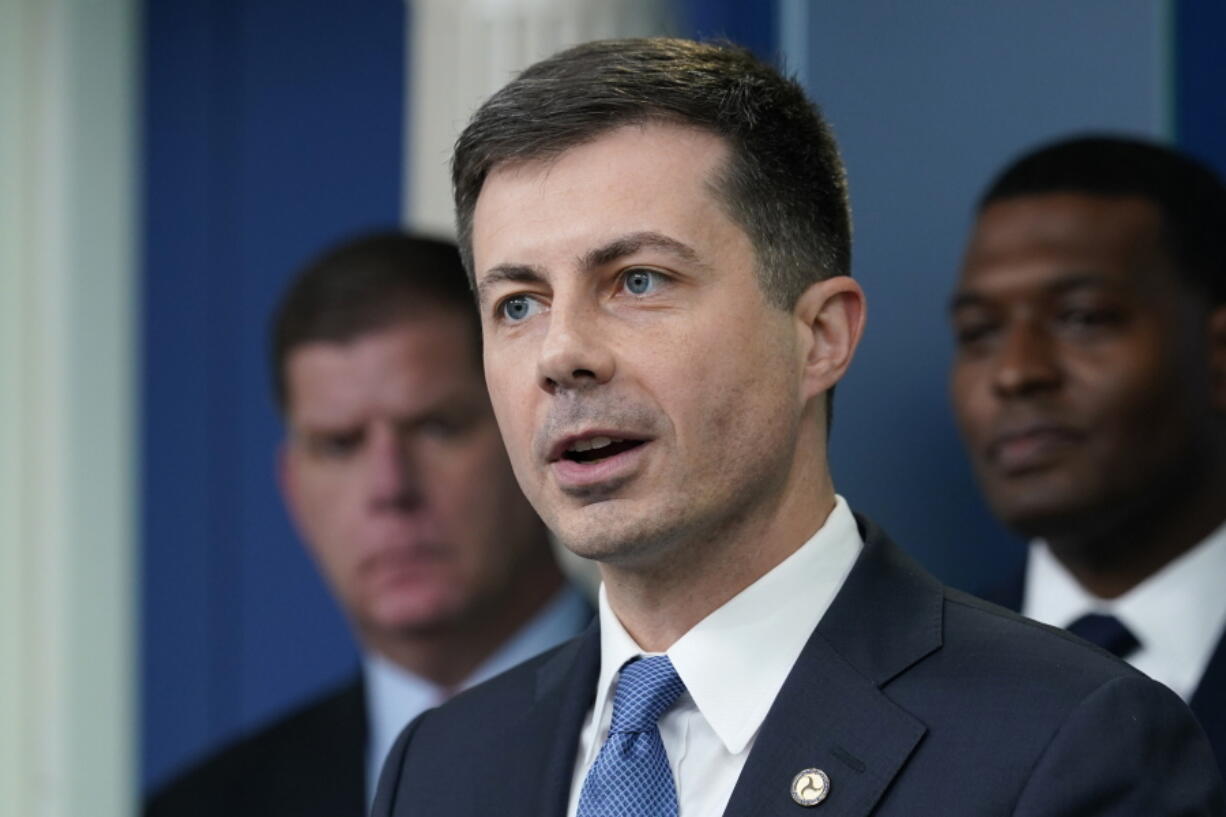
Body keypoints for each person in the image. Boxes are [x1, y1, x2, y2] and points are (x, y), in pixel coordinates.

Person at [372, 39, 1224, 817]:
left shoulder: (1069, 738)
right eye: (517, 303)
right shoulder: (441, 766)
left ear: (820, 335)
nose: (561, 354)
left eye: (637, 281)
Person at [145, 232, 591, 817]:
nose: (390, 488)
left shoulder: (695, 729)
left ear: (535, 436)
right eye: (340, 445)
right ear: (293, 490)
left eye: (438, 427)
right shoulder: (202, 807)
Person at [949, 135, 1226, 777]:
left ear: (1217, 355)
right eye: (978, 333)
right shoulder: (882, 683)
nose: (1016, 372)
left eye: (1083, 318)